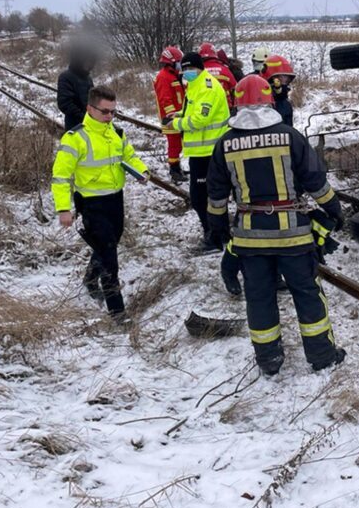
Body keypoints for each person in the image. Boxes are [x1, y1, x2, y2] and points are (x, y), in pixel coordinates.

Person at [207, 74, 346, 375]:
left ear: (236, 104)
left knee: (259, 297)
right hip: (292, 237)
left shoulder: (225, 144)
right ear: (270, 101)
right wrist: (334, 210)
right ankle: (321, 356)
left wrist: (218, 229)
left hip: (249, 238)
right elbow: (316, 183)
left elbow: (216, 196)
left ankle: (269, 360)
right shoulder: (290, 136)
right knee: (307, 294)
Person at [51, 85, 150, 324]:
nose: (109, 117)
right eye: (105, 112)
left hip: (115, 199)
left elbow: (129, 156)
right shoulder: (76, 138)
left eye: (113, 112)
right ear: (90, 109)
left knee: (109, 245)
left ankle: (89, 278)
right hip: (91, 203)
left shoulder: (116, 132)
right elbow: (61, 176)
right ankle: (117, 312)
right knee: (109, 256)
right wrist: (63, 209)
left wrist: (142, 170)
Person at [168, 52, 231, 251]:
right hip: (200, 152)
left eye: (190, 69)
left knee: (203, 198)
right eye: (184, 69)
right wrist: (178, 114)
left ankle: (215, 238)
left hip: (209, 152)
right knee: (204, 197)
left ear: (199, 68)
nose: (186, 73)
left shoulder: (207, 87)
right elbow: (193, 112)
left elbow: (199, 120)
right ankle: (216, 234)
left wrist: (176, 123)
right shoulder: (195, 86)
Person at [154, 45, 186, 183]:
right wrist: (171, 116)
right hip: (170, 118)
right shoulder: (164, 77)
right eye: (178, 61)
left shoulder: (173, 75)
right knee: (175, 145)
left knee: (178, 144)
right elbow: (165, 100)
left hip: (177, 116)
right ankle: (174, 170)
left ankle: (177, 168)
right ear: (171, 62)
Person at [56, 41, 96, 131]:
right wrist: (83, 118)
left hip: (89, 124)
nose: (90, 65)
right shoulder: (66, 77)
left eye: (91, 62)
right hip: (74, 126)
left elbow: (92, 100)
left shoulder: (88, 78)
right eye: (87, 61)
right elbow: (64, 103)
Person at [199, 42, 238, 110]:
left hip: (203, 110)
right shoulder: (225, 69)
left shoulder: (197, 71)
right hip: (224, 109)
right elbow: (235, 88)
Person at [261, 54, 296, 127]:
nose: (286, 79)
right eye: (283, 76)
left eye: (287, 76)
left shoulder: (285, 102)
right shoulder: (262, 105)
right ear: (272, 78)